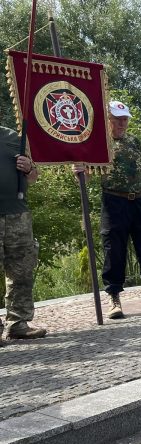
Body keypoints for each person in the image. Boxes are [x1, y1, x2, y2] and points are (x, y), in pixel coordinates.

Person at [73, 101, 141, 320]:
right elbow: (87, 176)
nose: (122, 123)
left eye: (125, 119)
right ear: (108, 119)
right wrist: (79, 171)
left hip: (140, 201)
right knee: (114, 251)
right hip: (114, 202)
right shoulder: (98, 144)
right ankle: (114, 298)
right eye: (118, 119)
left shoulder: (134, 141)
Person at [1, 126, 46, 342]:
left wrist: (28, 168)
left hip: (18, 215)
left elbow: (34, 177)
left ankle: (18, 324)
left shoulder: (15, 137)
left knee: (21, 271)